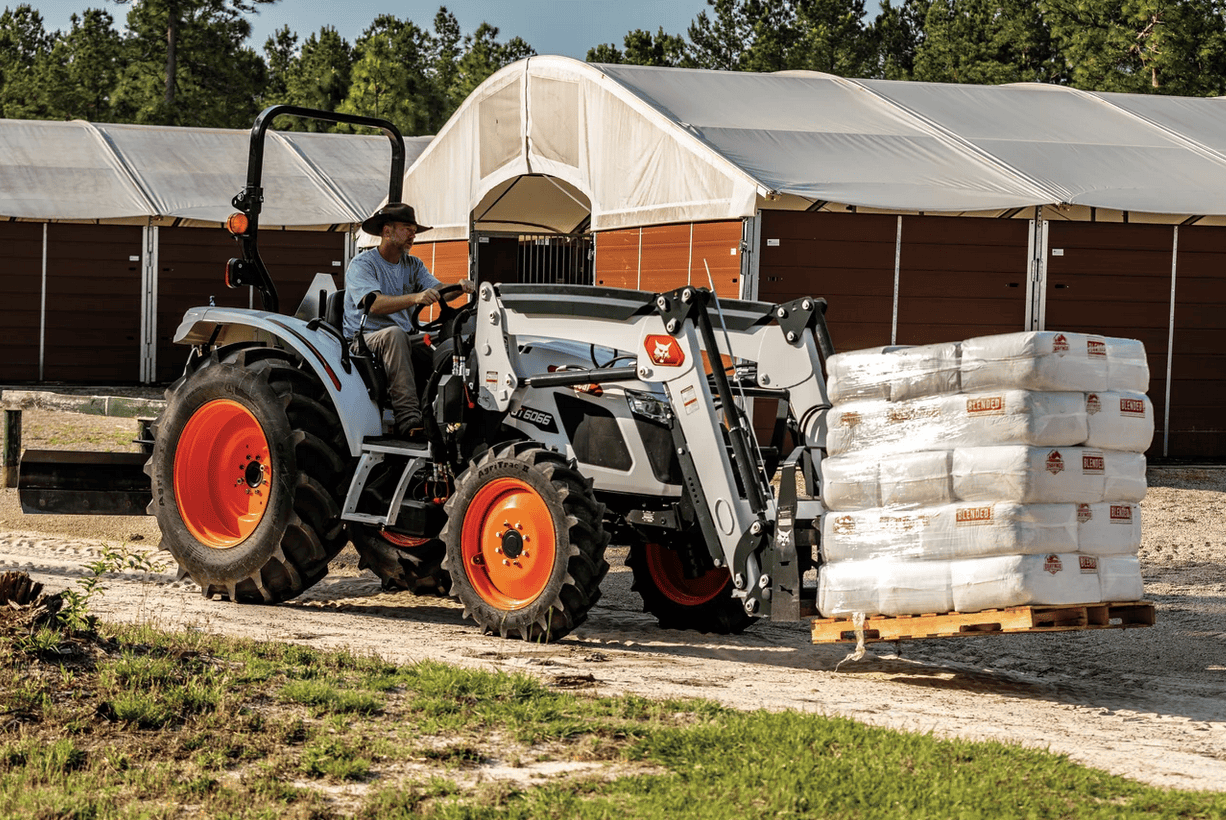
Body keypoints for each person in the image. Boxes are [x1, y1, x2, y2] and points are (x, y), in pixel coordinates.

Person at [343, 202, 475, 439]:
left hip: (404, 336)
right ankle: (409, 419)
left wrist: (460, 287)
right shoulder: (362, 265)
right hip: (365, 339)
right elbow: (374, 304)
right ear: (386, 232)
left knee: (450, 341)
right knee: (394, 335)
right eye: (406, 228)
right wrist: (415, 298)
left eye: (414, 229)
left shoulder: (413, 265)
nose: (413, 234)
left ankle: (454, 412)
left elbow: (438, 289)